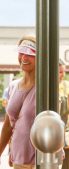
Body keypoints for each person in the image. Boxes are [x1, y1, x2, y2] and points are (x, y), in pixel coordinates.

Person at [0, 35, 36, 168]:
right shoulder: (13, 86)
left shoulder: (46, 88)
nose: (24, 58)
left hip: (40, 161)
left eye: (30, 53)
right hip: (18, 160)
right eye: (21, 52)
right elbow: (8, 126)